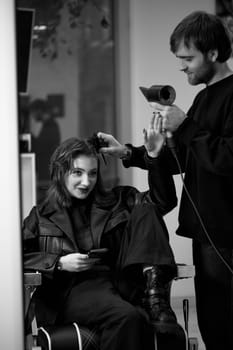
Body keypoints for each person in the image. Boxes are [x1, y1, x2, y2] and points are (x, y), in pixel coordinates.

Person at [98, 11, 233, 350]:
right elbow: (186, 158)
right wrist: (128, 153)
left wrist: (185, 126)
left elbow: (227, 159)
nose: (182, 67)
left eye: (188, 58)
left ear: (213, 53)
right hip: (206, 235)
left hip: (227, 234)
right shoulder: (204, 97)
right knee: (213, 325)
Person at [23, 123, 178, 350]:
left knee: (146, 208)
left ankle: (155, 298)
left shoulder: (118, 200)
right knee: (128, 317)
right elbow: (14, 258)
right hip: (71, 291)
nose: (86, 182)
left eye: (92, 173)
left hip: (120, 280)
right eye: (78, 172)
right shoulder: (41, 215)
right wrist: (58, 263)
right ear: (60, 172)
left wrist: (153, 157)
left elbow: (163, 201)